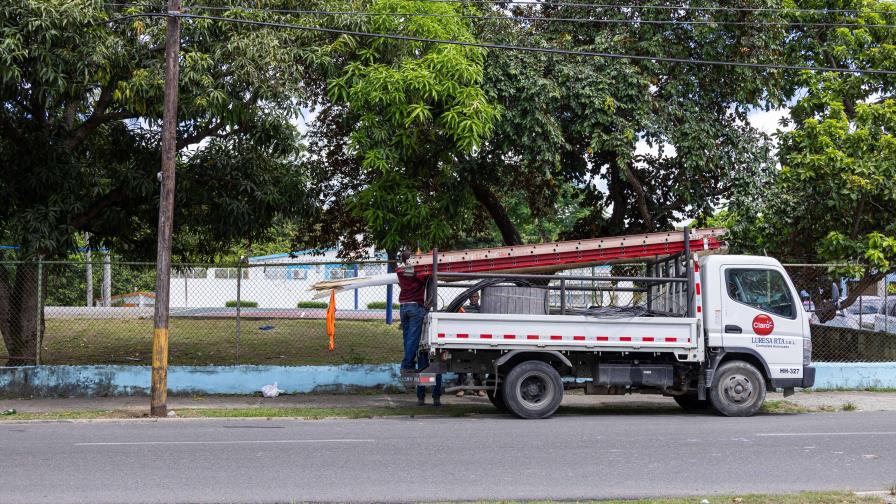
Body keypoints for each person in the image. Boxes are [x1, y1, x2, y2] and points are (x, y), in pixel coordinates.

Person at [397, 251, 442, 406]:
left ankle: (408, 363)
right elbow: (426, 275)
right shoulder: (417, 273)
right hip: (415, 307)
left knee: (407, 338)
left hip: (403, 307)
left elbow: (407, 272)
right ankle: (407, 365)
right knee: (413, 339)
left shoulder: (399, 271)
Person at [456, 291, 486, 397]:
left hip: (480, 340)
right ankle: (461, 388)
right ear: (469, 298)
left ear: (478, 298)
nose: (474, 298)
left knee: (479, 364)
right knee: (463, 364)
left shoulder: (483, 309)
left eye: (475, 297)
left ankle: (478, 389)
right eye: (472, 297)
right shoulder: (463, 309)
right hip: (465, 340)